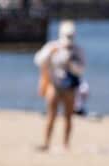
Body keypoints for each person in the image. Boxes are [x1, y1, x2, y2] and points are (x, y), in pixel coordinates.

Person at [33, 20, 85, 151]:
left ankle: (65, 144)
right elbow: (39, 61)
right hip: (54, 85)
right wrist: (50, 53)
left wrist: (71, 62)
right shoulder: (52, 46)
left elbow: (81, 69)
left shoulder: (77, 50)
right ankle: (46, 142)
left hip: (70, 88)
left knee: (68, 116)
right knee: (51, 115)